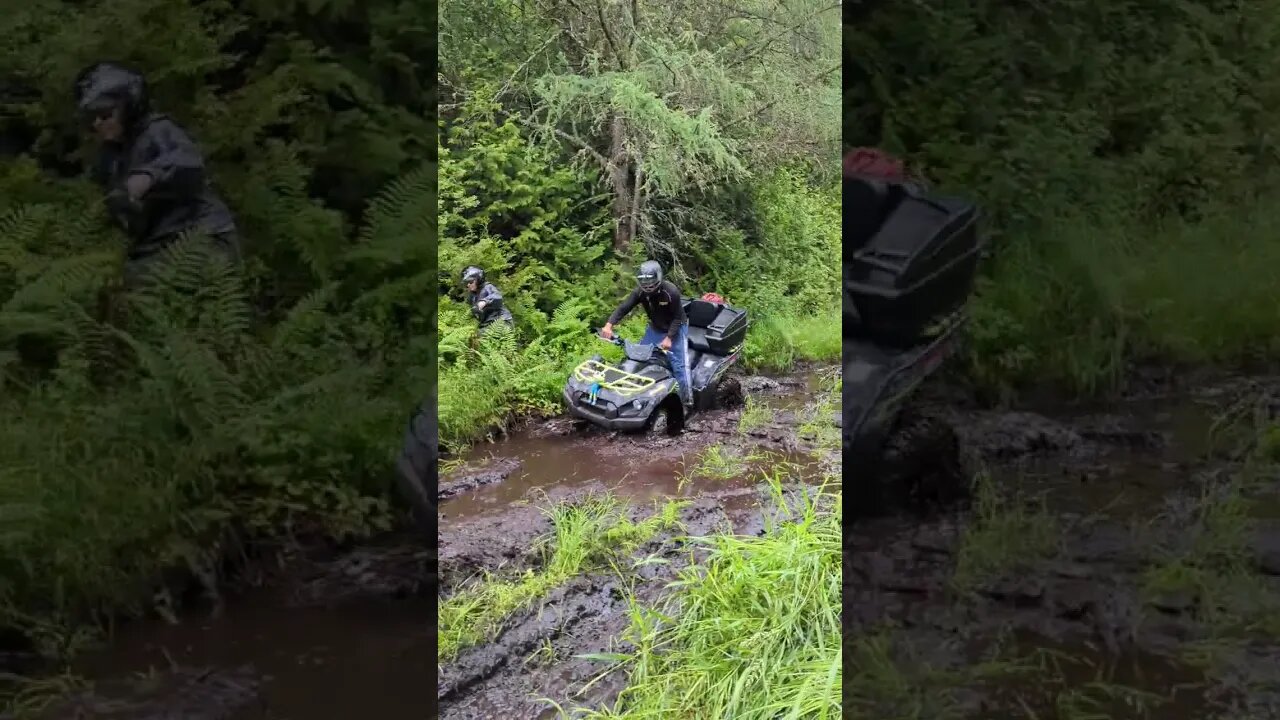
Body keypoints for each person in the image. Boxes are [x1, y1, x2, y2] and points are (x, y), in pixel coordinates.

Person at [74, 62, 241, 287]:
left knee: (131, 286)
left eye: (105, 114)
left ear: (129, 106)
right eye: (92, 118)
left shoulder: (158, 131)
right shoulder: (112, 156)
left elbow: (187, 163)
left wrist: (144, 179)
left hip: (203, 239)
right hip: (159, 246)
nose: (98, 123)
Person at [601, 260, 692, 408]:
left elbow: (677, 317)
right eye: (645, 282)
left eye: (651, 282)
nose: (648, 286)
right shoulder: (640, 292)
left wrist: (669, 337)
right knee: (640, 358)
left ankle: (686, 401)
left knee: (680, 365)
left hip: (676, 328)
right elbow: (624, 307)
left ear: (658, 278)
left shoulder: (671, 292)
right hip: (655, 328)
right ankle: (634, 397)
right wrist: (609, 324)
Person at [461, 266, 513, 330]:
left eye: (471, 281)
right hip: (487, 323)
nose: (468, 285)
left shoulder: (487, 287)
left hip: (502, 320)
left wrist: (484, 302)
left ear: (479, 279)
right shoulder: (472, 296)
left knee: (485, 337)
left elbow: (497, 297)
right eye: (466, 283)